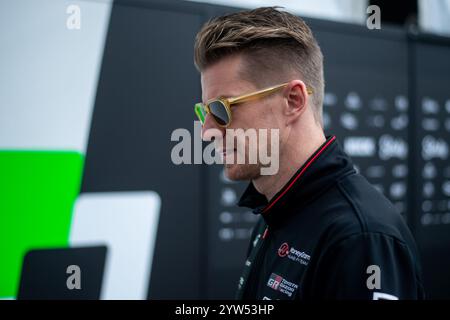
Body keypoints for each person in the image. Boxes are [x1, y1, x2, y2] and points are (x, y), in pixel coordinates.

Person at [193, 7, 424, 300]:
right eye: (204, 112)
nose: (207, 131)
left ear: (294, 100)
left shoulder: (361, 238)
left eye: (221, 109)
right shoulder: (273, 213)